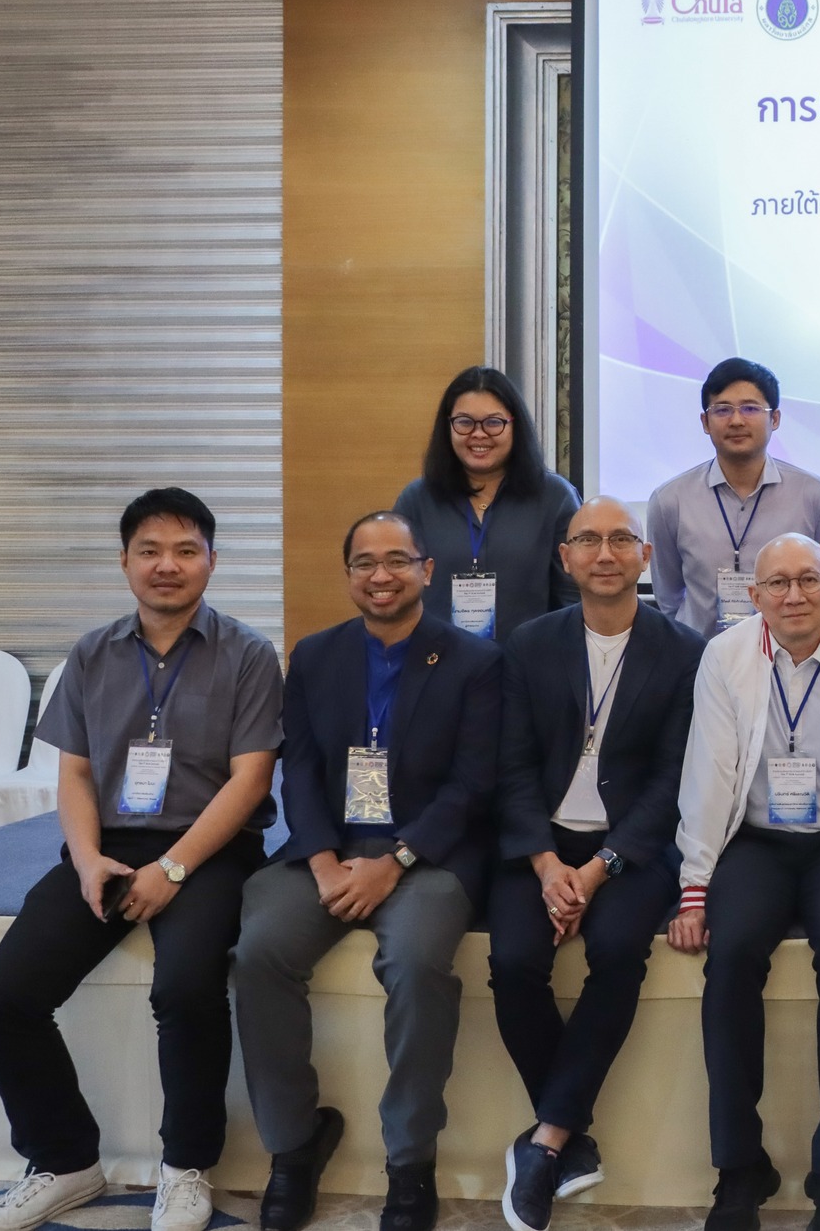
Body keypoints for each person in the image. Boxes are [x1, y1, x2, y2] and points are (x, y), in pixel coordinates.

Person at [0, 489, 281, 1231]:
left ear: (211, 561)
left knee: (187, 990)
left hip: (210, 848)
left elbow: (251, 780)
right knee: (2, 998)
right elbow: (74, 775)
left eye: (185, 550)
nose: (167, 565)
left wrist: (172, 869)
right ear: (125, 561)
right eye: (150, 550)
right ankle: (65, 1160)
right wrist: (85, 862)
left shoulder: (248, 653)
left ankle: (186, 1166)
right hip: (106, 846)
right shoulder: (91, 653)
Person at [232, 512, 501, 1231]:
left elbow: (472, 785)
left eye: (397, 560)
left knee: (414, 962)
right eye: (364, 563)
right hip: (329, 849)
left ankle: (410, 1161)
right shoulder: (315, 655)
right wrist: (322, 860)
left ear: (426, 570)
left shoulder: (474, 660)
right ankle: (294, 1145)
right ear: (348, 573)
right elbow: (301, 768)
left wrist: (396, 861)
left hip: (429, 855)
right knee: (259, 953)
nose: (381, 576)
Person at [668, 532, 820, 1231]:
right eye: (777, 583)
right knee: (731, 951)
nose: (794, 595)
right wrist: (695, 885)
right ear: (754, 595)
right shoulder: (725, 655)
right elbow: (708, 771)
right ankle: (738, 1168)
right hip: (755, 841)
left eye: (810, 580)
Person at [487, 496, 705, 1231]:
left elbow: (672, 781)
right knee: (514, 958)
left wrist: (600, 866)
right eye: (588, 540)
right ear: (566, 558)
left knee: (615, 948)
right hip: (540, 844)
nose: (605, 554)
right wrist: (548, 864)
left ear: (645, 555)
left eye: (620, 539)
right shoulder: (529, 643)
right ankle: (568, 1134)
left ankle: (548, 1139)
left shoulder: (683, 650)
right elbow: (511, 765)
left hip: (632, 848)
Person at [646, 357, 820, 637]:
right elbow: (668, 597)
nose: (736, 420)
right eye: (722, 410)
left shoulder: (815, 496)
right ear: (705, 422)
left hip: (788, 654)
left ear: (775, 419)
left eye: (750, 408)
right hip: (700, 655)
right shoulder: (670, 500)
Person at [393, 365, 580, 643]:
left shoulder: (555, 497)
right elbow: (398, 589)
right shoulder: (416, 500)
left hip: (529, 661)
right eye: (464, 422)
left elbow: (573, 596)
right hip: (438, 660)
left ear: (515, 425)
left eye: (493, 422)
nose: (478, 434)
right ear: (448, 427)